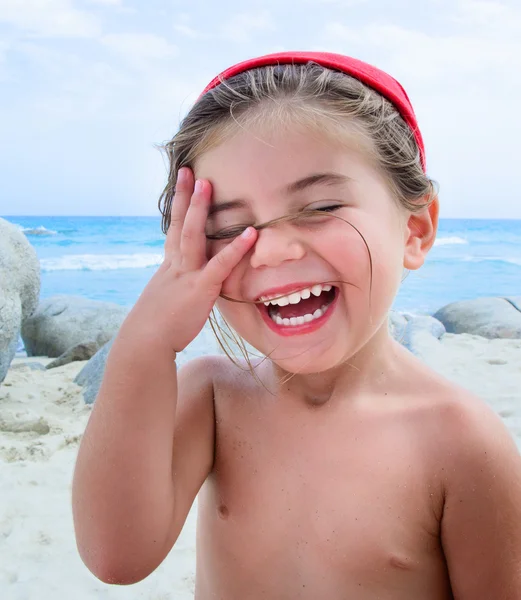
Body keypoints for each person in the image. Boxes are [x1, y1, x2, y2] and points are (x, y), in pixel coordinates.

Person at [72, 52, 521, 599]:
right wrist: (147, 342)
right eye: (231, 228)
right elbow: (116, 557)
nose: (272, 251)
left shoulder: (462, 444)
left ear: (415, 229)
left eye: (320, 206)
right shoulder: (212, 398)